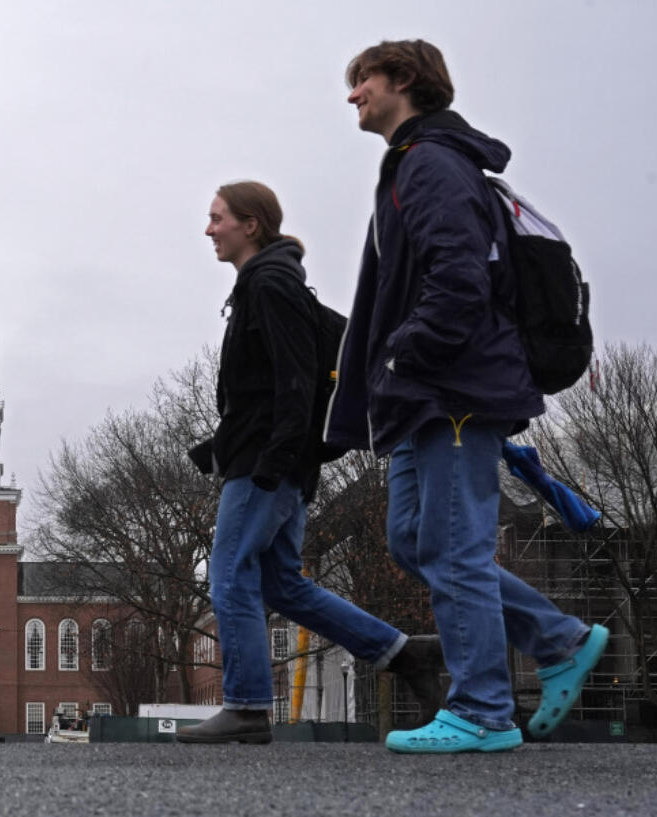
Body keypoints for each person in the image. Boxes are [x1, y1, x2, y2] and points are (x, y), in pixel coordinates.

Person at [327, 39, 609, 754]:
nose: (353, 94)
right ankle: (559, 637)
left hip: (450, 387)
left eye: (364, 80)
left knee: (454, 546)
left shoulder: (430, 164)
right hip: (426, 393)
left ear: (406, 83)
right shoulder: (417, 164)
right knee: (416, 539)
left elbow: (459, 278)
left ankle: (482, 708)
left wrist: (401, 352)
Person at [176, 181, 444, 745]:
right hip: (278, 462)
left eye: (217, 217)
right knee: (284, 587)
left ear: (251, 224)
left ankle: (247, 706)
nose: (209, 230)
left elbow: (295, 383)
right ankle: (403, 652)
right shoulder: (270, 284)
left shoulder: (269, 286)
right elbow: (264, 390)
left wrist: (272, 462)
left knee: (229, 577)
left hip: (267, 466)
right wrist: (222, 447)